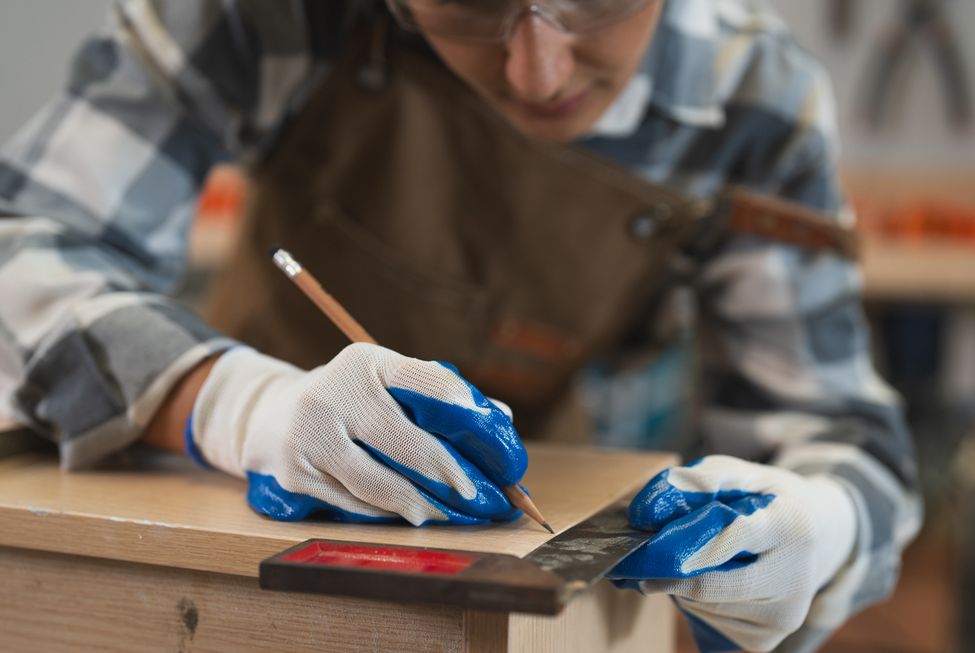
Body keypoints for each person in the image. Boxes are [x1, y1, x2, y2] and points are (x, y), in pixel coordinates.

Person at [0, 0, 921, 651]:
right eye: (469, 5)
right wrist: (247, 410)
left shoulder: (757, 103)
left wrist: (824, 521)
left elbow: (836, 435)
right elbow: (25, 247)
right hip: (224, 509)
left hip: (514, 545)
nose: (537, 71)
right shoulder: (272, 14)